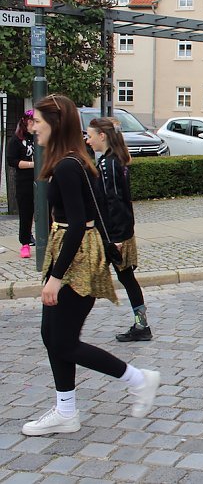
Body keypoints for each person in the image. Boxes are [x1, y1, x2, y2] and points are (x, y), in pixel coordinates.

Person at [23, 94, 159, 437]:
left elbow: (80, 223)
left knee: (63, 341)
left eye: (37, 121)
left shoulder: (70, 165)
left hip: (77, 260)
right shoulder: (70, 161)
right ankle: (65, 411)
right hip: (70, 255)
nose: (32, 126)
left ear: (55, 123)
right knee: (51, 335)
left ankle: (138, 379)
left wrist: (55, 277)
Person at [85, 118, 152, 342]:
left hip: (113, 235)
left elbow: (116, 202)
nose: (88, 139)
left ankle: (142, 326)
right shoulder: (110, 161)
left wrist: (116, 238)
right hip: (113, 233)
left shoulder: (109, 164)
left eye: (90, 135)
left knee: (102, 278)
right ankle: (141, 325)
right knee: (124, 278)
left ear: (102, 136)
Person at [5, 110, 36, 258]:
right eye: (31, 122)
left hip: (41, 181)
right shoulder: (16, 140)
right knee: (26, 213)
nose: (34, 125)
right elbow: (12, 161)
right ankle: (25, 243)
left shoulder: (39, 138)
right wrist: (32, 165)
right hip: (25, 181)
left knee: (47, 212)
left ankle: (48, 240)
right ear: (25, 122)